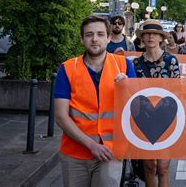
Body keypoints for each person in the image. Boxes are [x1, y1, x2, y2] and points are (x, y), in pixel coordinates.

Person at [54, 15, 136, 186]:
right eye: (89, 34)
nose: (94, 39)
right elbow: (61, 116)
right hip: (74, 152)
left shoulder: (125, 66)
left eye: (100, 34)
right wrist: (91, 145)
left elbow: (136, 110)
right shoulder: (68, 68)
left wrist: (127, 89)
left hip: (111, 151)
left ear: (108, 37)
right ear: (82, 39)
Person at [132, 19, 180, 187]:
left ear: (161, 38)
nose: (151, 37)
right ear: (142, 38)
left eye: (155, 34)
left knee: (163, 167)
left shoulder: (171, 61)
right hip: (144, 120)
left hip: (166, 118)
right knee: (149, 166)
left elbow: (177, 90)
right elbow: (132, 93)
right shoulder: (135, 64)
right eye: (147, 34)